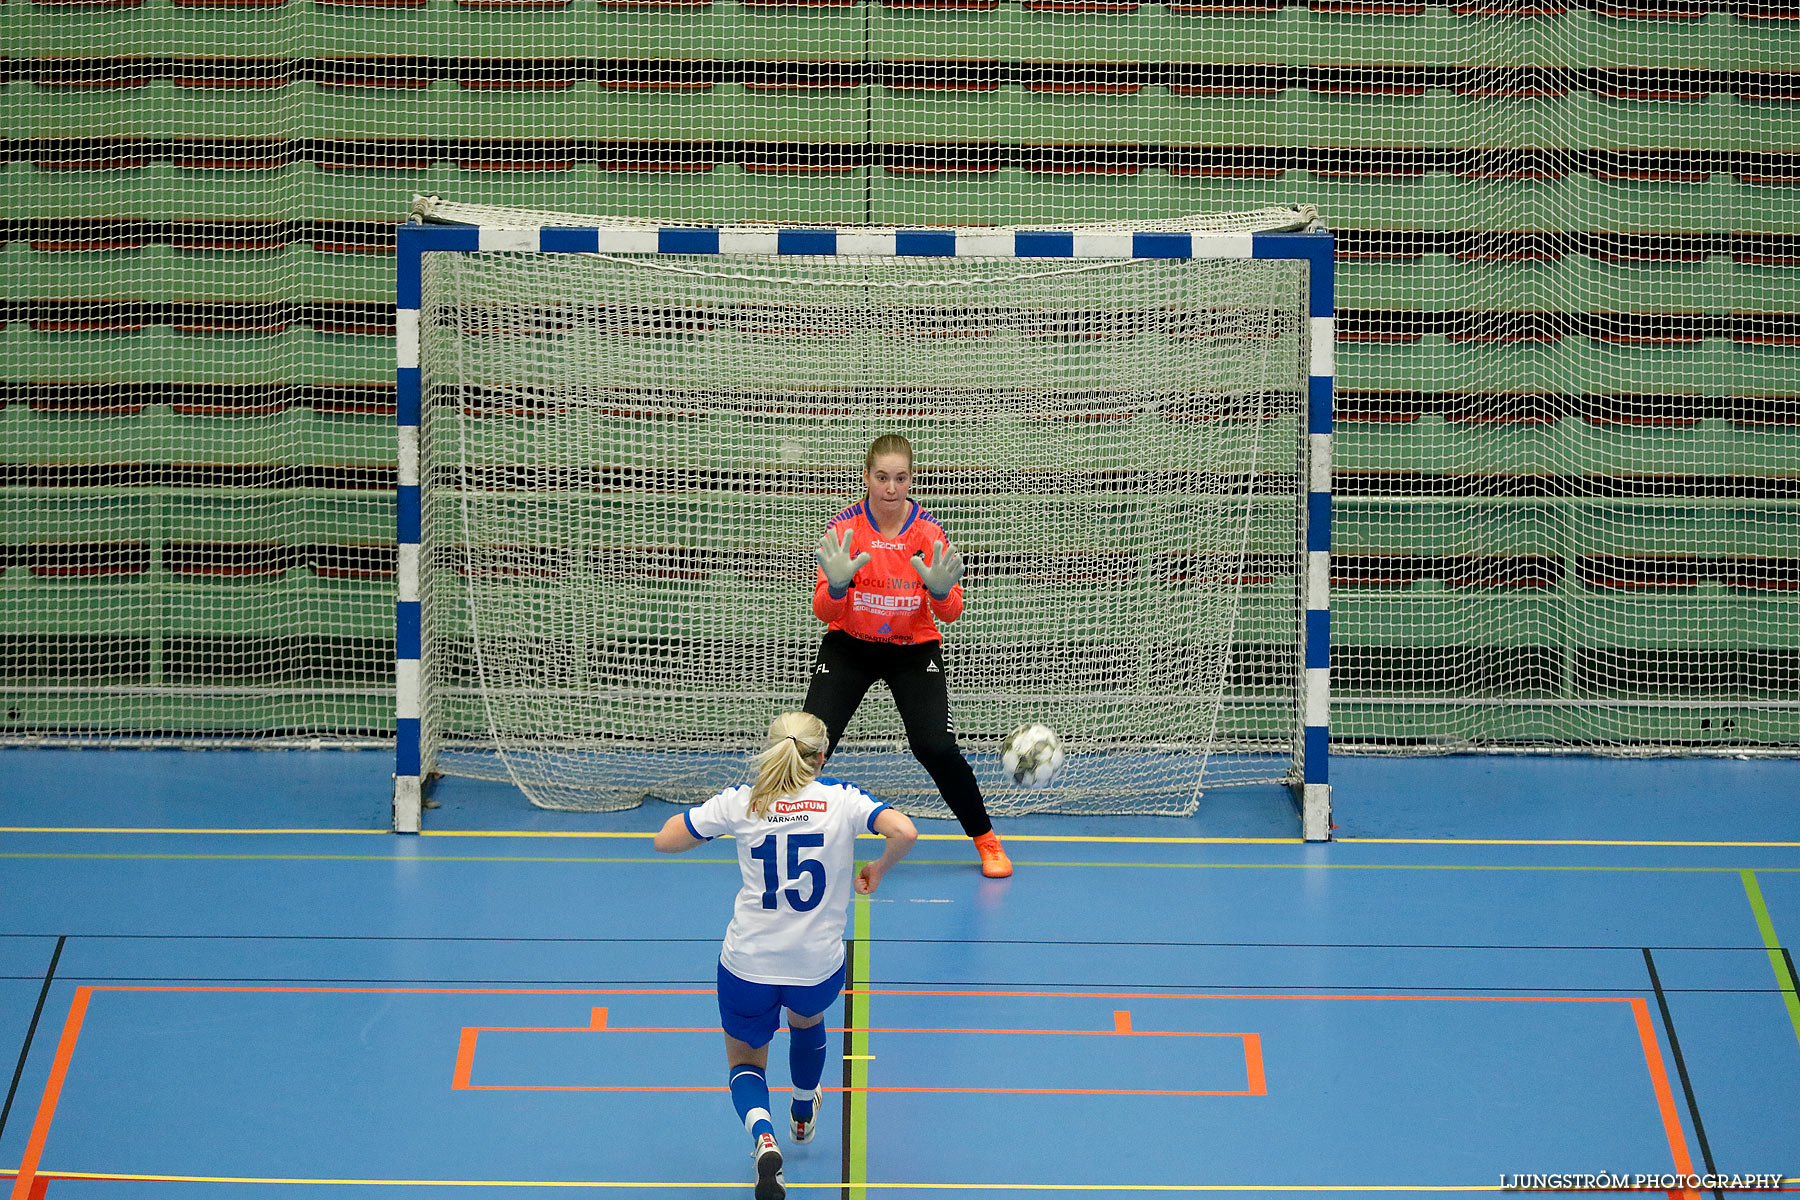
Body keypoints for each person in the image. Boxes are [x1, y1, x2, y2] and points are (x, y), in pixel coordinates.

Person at [654, 711, 917, 1200]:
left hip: (748, 964)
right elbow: (904, 831)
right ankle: (802, 1109)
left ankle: (764, 1137)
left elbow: (665, 840)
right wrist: (878, 868)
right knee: (806, 1019)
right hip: (815, 964)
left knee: (745, 1061)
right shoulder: (842, 799)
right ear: (821, 756)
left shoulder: (742, 802)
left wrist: (715, 819)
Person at [806, 433, 1013, 878]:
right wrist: (838, 586)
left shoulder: (927, 532)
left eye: (901, 478)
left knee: (935, 746)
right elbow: (824, 609)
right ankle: (781, 829)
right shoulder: (844, 528)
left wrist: (941, 592)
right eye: (882, 477)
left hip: (912, 649)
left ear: (911, 479)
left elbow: (951, 612)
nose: (891, 488)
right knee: (809, 744)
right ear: (866, 477)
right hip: (850, 647)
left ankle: (986, 839)